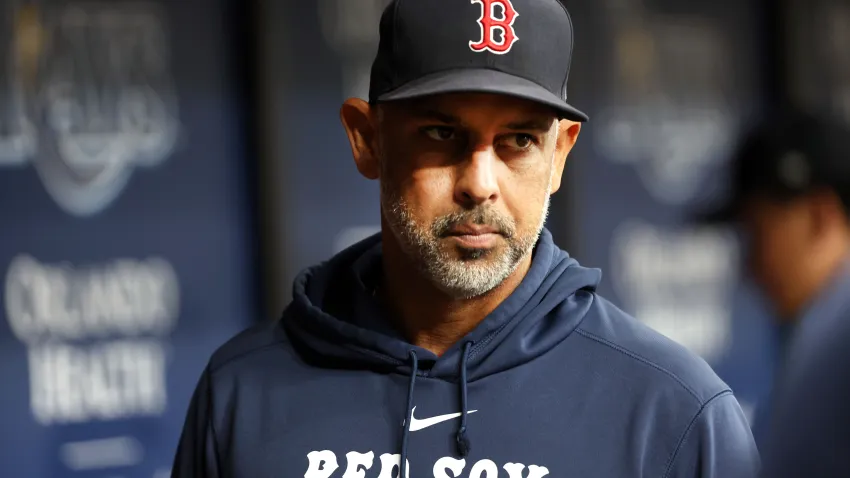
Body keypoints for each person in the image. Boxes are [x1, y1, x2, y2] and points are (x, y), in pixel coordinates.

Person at [172, 0, 759, 476]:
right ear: (366, 139)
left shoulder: (674, 413)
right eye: (440, 132)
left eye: (519, 141)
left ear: (560, 155)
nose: (480, 184)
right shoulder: (242, 393)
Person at [696, 110, 850, 477]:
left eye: (757, 232)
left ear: (820, 217)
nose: (750, 267)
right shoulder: (818, 332)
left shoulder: (838, 339)